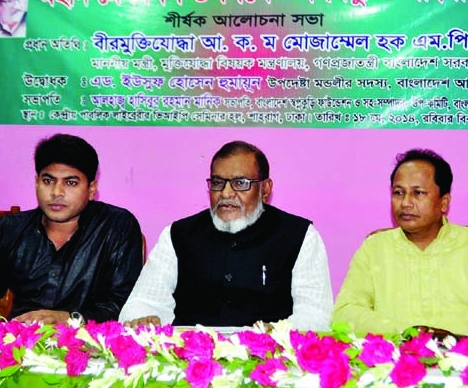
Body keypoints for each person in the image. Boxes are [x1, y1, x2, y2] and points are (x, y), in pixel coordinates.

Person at [119, 140, 332, 330]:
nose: (226, 193)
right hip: (191, 360)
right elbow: (144, 301)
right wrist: (142, 319)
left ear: (265, 188)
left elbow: (315, 314)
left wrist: (277, 333)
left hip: (269, 359)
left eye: (241, 183)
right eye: (217, 183)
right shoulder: (179, 234)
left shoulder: (299, 235)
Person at [332, 149, 468, 336]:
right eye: (399, 193)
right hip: (396, 366)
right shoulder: (375, 249)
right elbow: (345, 313)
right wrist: (407, 334)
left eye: (418, 193)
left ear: (444, 202)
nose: (406, 203)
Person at [0, 134, 143, 324]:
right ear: (36, 182)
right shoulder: (9, 229)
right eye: (48, 181)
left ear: (91, 189)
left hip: (90, 347)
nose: (56, 192)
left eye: (70, 183)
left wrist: (67, 319)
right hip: (18, 347)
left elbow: (119, 306)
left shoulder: (117, 227)